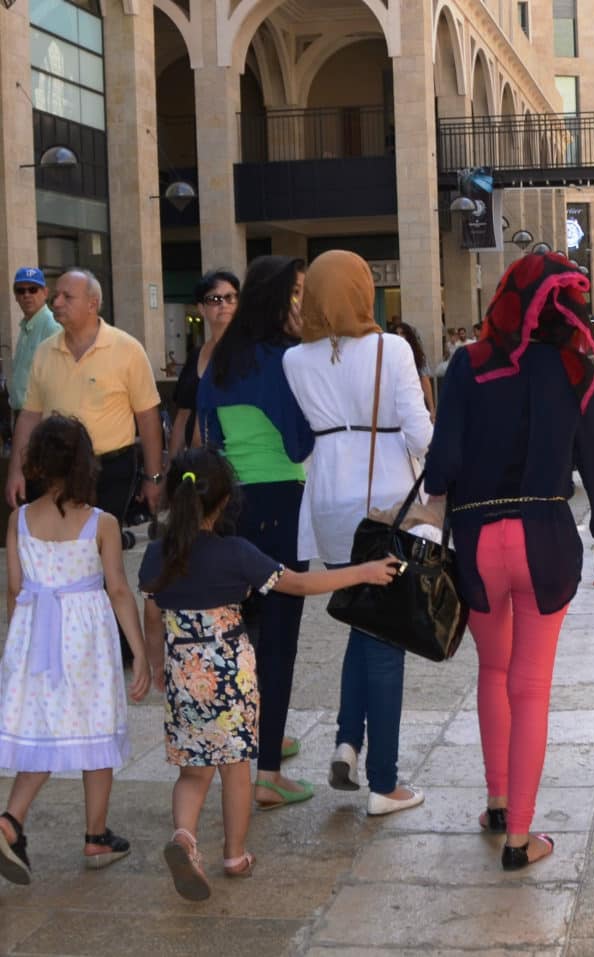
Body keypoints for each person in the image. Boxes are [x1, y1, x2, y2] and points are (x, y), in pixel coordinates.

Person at [424, 252, 594, 870]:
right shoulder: (574, 369)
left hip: (478, 537)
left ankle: (495, 799)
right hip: (544, 534)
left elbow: (440, 465)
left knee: (493, 672)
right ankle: (520, 836)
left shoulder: (468, 364)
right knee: (531, 687)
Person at [138, 448, 404, 900]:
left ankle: (184, 837)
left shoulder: (158, 555)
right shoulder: (237, 553)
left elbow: (150, 610)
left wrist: (156, 663)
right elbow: (299, 584)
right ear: (224, 503)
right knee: (237, 770)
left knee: (193, 772)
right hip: (230, 676)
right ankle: (235, 854)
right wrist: (363, 572)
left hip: (186, 673)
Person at [283, 250, 433, 816]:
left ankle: (348, 740)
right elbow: (419, 432)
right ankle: (385, 781)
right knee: (387, 634)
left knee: (359, 614)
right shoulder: (391, 348)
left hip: (327, 502)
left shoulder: (294, 360)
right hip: (384, 504)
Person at [0, 415, 150, 886]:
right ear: (88, 463)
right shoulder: (101, 523)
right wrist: (141, 651)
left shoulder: (19, 519)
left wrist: (16, 642)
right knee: (95, 727)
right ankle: (95, 834)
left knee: (46, 726)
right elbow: (120, 590)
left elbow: (16, 588)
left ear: (38, 463)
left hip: (34, 633)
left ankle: (11, 820)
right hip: (85, 638)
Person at [197, 255, 316, 810]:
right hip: (281, 503)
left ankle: (250, 744)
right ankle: (267, 770)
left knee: (241, 635)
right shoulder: (285, 359)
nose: (299, 303)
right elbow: (297, 445)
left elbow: (211, 435)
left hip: (231, 507)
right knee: (281, 638)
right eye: (294, 293)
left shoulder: (220, 360)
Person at [5, 269, 165, 523]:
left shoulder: (128, 349)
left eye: (67, 297)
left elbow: (148, 419)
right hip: (54, 471)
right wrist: (16, 471)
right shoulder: (44, 352)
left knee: (101, 551)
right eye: (55, 295)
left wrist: (153, 477)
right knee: (55, 551)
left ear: (92, 304)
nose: (56, 303)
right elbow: (29, 416)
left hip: (110, 472)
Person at [169, 270, 240, 458]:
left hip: (236, 460)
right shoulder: (196, 355)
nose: (223, 304)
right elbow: (182, 416)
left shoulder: (247, 354)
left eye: (230, 297)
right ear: (201, 308)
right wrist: (171, 467)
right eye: (214, 299)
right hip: (198, 463)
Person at [9, 268, 60, 419]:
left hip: (39, 416)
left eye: (33, 289)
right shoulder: (26, 326)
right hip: (21, 413)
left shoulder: (52, 326)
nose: (27, 295)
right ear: (16, 297)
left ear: (45, 293)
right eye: (21, 291)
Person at [393, 320, 436, 418]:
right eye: (397, 333)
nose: (400, 336)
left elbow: (424, 381)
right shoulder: (388, 354)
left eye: (403, 333)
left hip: (413, 403)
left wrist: (432, 409)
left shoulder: (418, 356)